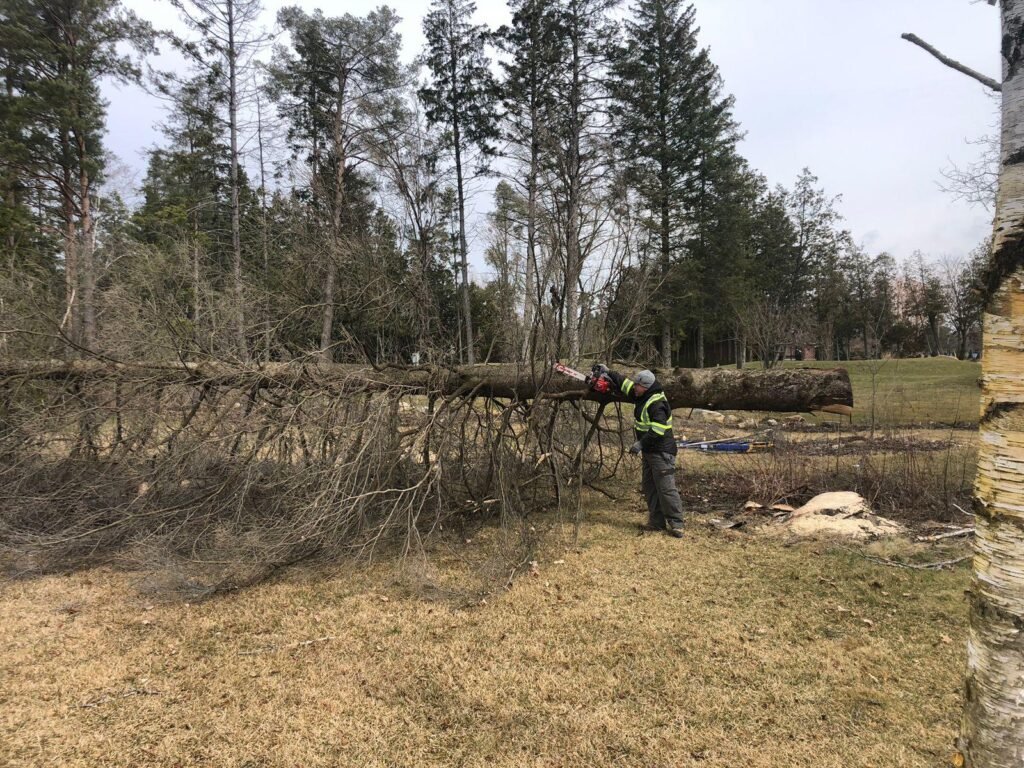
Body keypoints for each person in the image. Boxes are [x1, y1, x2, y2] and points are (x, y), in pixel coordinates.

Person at [597, 365, 685, 538]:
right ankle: (656, 522)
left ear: (645, 387)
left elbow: (658, 430)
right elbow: (625, 384)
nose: (634, 388)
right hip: (650, 451)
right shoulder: (642, 394)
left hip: (661, 452)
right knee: (650, 487)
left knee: (666, 488)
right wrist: (609, 372)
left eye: (637, 386)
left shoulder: (657, 404)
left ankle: (677, 524)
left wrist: (640, 444)